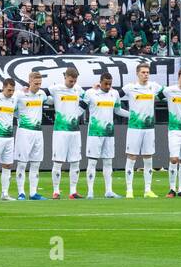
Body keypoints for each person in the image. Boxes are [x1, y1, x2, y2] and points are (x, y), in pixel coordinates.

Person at [82, 73, 126, 198]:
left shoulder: (115, 94)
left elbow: (117, 110)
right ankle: (90, 191)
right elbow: (81, 107)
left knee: (108, 162)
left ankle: (109, 191)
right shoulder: (90, 93)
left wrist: (132, 115)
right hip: (94, 133)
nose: (108, 86)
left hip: (109, 133)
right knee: (92, 162)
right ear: (100, 82)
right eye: (106, 83)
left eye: (110, 84)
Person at [123, 62, 163, 198]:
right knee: (132, 157)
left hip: (149, 128)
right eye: (143, 72)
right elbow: (114, 95)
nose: (145, 75)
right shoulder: (130, 88)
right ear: (137, 73)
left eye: (147, 72)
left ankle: (148, 190)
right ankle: (129, 190)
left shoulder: (155, 87)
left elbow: (169, 94)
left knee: (148, 157)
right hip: (134, 128)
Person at [13, 70, 50, 201]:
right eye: (35, 83)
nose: (38, 86)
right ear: (29, 81)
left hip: (38, 133)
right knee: (22, 164)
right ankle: (21, 192)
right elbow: (10, 108)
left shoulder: (42, 94)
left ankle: (33, 193)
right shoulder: (19, 94)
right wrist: (19, 118)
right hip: (24, 132)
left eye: (40, 83)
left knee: (36, 164)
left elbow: (52, 98)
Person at [50, 67, 85, 199]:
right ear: (65, 77)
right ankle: (56, 191)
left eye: (74, 81)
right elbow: (42, 95)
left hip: (75, 131)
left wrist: (77, 114)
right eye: (70, 81)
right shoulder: (56, 89)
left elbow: (87, 101)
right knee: (58, 162)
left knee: (75, 161)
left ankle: (73, 191)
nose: (72, 83)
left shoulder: (78, 89)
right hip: (60, 130)